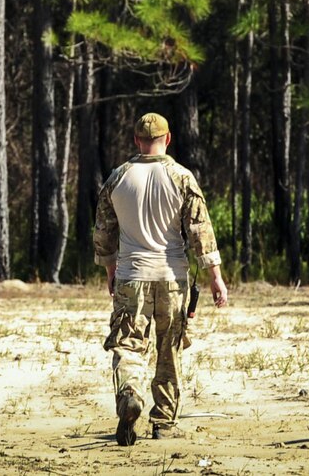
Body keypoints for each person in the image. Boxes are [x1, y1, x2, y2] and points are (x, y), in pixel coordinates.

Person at [93, 112, 229, 446]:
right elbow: (200, 230)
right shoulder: (181, 177)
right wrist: (215, 276)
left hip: (130, 276)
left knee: (128, 345)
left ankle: (130, 392)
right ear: (168, 139)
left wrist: (110, 270)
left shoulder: (117, 178)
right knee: (170, 350)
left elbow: (103, 232)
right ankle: (164, 421)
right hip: (172, 277)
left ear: (136, 140)